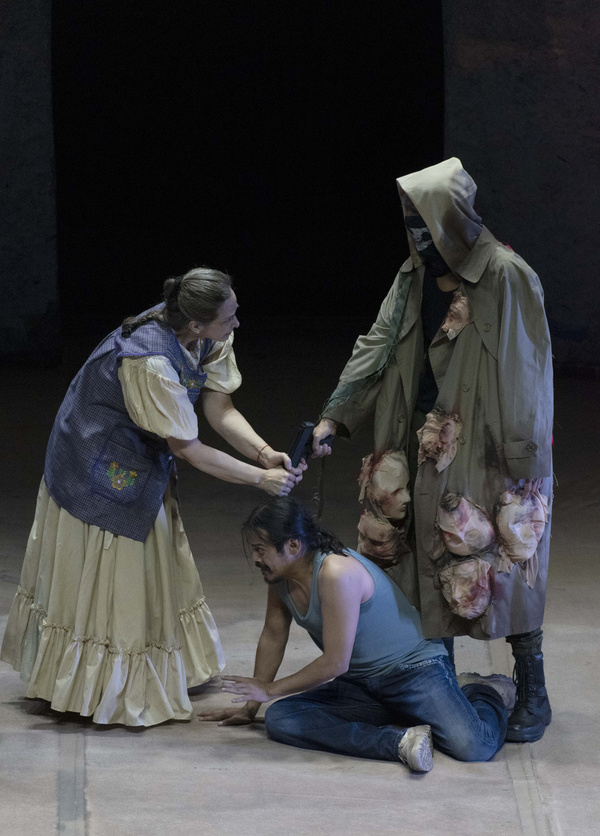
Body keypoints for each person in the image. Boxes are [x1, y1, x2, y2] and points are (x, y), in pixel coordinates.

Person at [311, 158, 553, 743]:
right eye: (409, 225)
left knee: (504, 556)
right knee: (418, 558)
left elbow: (528, 368)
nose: (418, 238)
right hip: (414, 434)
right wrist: (335, 416)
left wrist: (522, 459)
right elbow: (378, 342)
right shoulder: (413, 274)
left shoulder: (505, 274)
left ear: (458, 218)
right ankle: (435, 683)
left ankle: (532, 686)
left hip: (485, 442)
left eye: (428, 224)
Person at [1, 267, 305, 727]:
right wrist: (258, 480)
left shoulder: (206, 335)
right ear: (197, 322)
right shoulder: (150, 361)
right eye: (230, 317)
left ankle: (143, 671)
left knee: (152, 555)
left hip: (140, 453)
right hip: (94, 456)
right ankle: (101, 688)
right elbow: (188, 448)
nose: (237, 323)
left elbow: (219, 408)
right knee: (115, 569)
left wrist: (264, 455)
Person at [199, 497, 515, 773]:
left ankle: (482, 691)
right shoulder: (280, 578)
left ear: (293, 545)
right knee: (281, 718)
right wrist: (251, 706)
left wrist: (269, 689)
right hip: (361, 683)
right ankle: (399, 742)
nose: (255, 559)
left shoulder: (336, 573)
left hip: (414, 672)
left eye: (260, 550)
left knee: (475, 747)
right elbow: (273, 635)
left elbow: (335, 663)